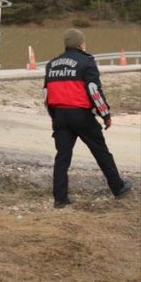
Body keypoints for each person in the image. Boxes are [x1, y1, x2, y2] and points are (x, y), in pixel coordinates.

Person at [43, 28, 133, 208]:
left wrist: (55, 117)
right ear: (80, 44)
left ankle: (60, 199)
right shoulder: (87, 62)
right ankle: (118, 187)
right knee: (101, 151)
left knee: (62, 158)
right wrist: (105, 115)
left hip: (60, 116)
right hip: (81, 116)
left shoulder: (51, 64)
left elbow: (46, 95)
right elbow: (94, 91)